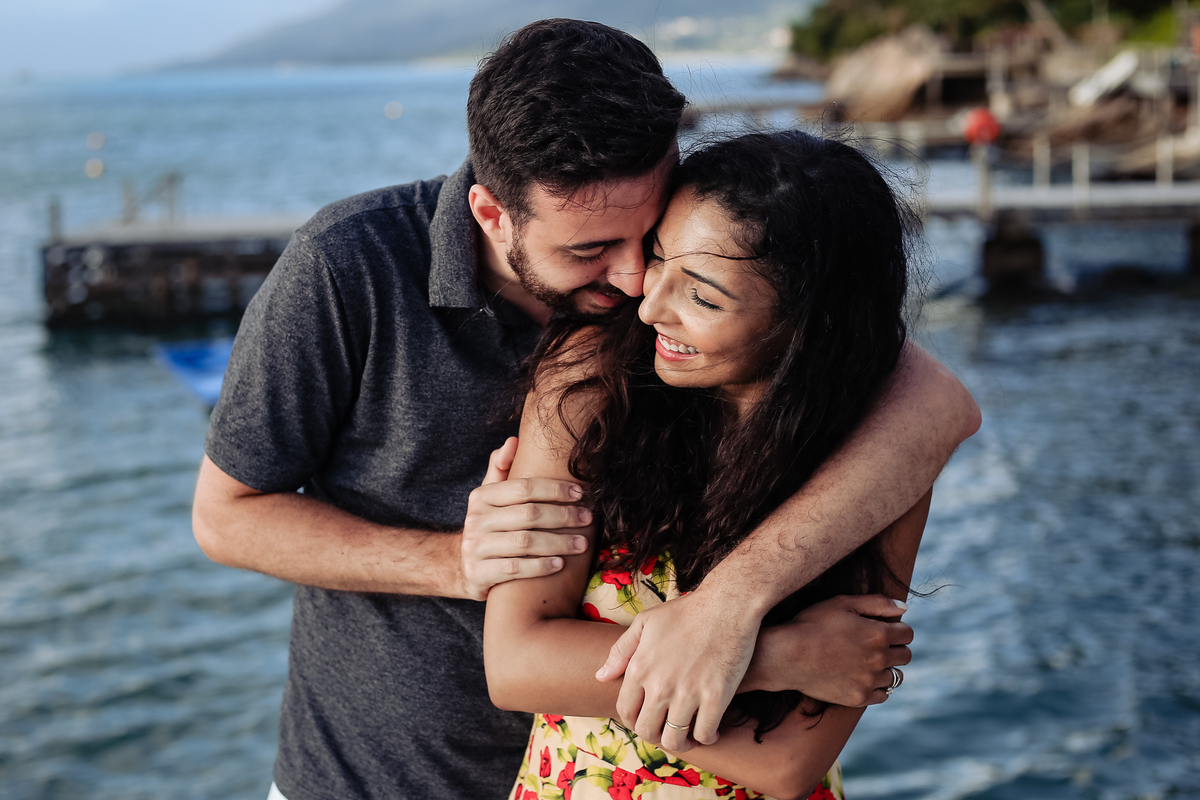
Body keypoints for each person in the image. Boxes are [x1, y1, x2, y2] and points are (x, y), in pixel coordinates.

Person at [191, 19, 980, 800]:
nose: (637, 282)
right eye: (591, 250)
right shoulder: (346, 268)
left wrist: (728, 610)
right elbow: (227, 517)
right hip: (378, 777)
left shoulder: (669, 298)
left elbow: (934, 400)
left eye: (654, 234)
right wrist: (454, 561)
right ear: (493, 215)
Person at [483, 129, 947, 800]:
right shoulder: (588, 385)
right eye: (658, 257)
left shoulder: (875, 463)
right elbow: (517, 665)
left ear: (808, 326)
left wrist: (590, 669)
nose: (649, 307)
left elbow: (789, 763)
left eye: (702, 297)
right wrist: (776, 658)